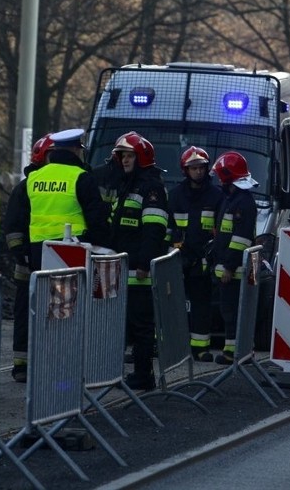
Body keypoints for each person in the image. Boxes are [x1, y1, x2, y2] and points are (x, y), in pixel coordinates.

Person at [109, 132, 169, 390]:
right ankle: (127, 373)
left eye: (129, 155)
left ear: (141, 157)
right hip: (124, 267)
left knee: (142, 326)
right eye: (122, 155)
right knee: (126, 325)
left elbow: (154, 230)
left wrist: (144, 263)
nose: (124, 160)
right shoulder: (128, 184)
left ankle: (144, 375)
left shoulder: (151, 187)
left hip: (139, 270)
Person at [21, 127, 111, 271]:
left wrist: (26, 250)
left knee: (44, 291)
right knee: (74, 292)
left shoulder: (34, 177)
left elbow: (24, 217)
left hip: (39, 250)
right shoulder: (81, 177)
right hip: (72, 249)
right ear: (75, 150)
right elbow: (96, 219)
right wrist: (103, 247)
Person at [3, 133, 53, 383]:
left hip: (54, 263)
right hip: (28, 265)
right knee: (24, 313)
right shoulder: (25, 188)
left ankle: (46, 361)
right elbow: (12, 226)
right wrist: (20, 252)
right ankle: (21, 364)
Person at [168, 146, 224, 362]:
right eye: (193, 168)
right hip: (177, 260)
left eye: (201, 167)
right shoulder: (174, 196)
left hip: (203, 261)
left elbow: (220, 229)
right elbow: (169, 227)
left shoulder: (216, 196)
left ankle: (200, 349)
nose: (198, 171)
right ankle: (165, 346)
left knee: (202, 306)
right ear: (185, 170)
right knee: (171, 305)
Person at [210, 151, 258, 365]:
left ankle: (234, 353)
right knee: (229, 312)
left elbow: (240, 239)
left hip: (235, 271)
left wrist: (229, 267)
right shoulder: (234, 199)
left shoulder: (242, 202)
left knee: (232, 313)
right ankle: (233, 351)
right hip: (231, 269)